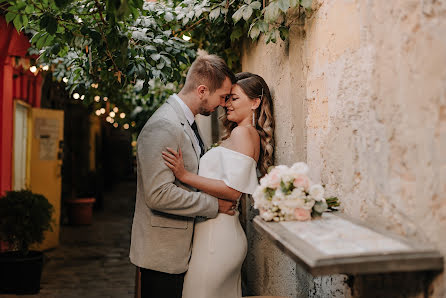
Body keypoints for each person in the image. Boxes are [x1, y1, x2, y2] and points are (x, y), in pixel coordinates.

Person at [129, 54, 238, 298]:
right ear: (202, 90)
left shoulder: (185, 121)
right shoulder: (164, 126)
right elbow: (159, 195)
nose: (223, 103)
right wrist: (214, 205)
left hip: (180, 250)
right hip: (163, 255)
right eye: (221, 96)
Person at [162, 72, 275, 298]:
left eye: (234, 98)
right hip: (214, 234)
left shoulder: (244, 133)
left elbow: (233, 191)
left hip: (218, 237)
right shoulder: (241, 133)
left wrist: (184, 175)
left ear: (255, 102)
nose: (226, 104)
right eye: (227, 98)